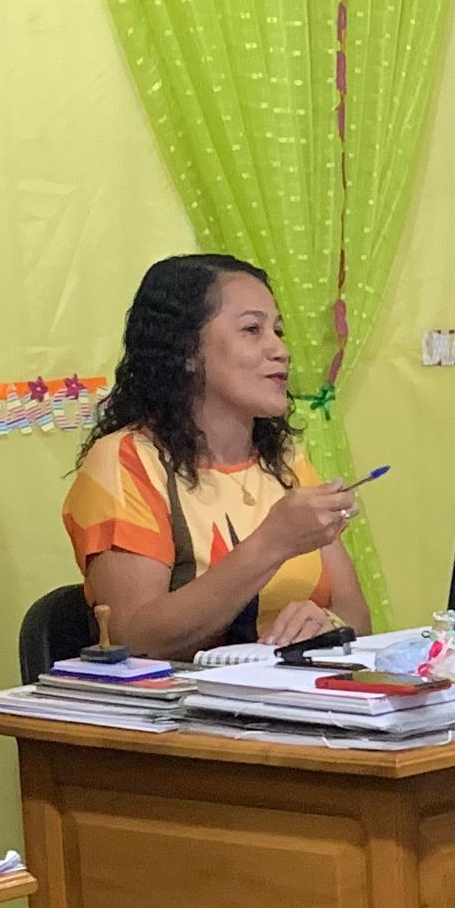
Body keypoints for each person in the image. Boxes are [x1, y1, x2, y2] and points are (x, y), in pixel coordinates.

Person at [61, 253, 367, 659]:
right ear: (187, 350)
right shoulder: (127, 460)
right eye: (252, 330)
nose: (280, 349)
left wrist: (328, 625)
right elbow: (133, 638)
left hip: (296, 704)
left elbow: (357, 615)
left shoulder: (286, 459)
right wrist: (272, 542)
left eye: (278, 330)